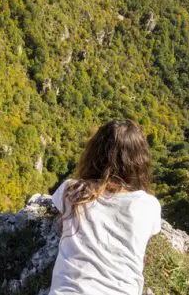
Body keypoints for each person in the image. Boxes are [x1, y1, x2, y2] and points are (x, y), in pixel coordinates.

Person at [49, 119, 162, 295]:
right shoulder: (148, 206)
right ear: (139, 162)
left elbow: (60, 222)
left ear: (94, 154)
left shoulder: (72, 191)